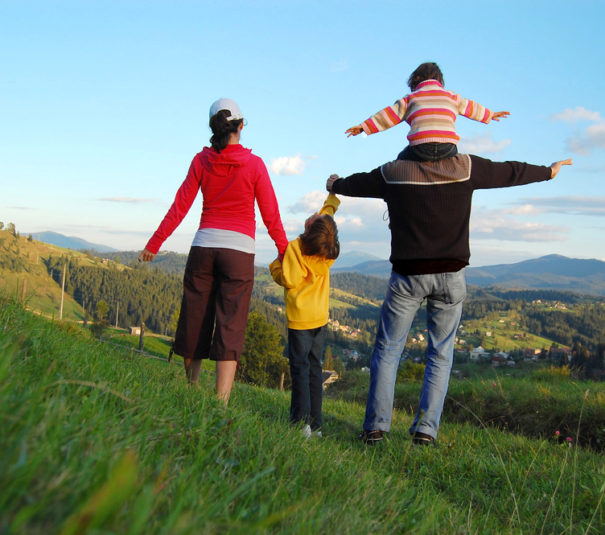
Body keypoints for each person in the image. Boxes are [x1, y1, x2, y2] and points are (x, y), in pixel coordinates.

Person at [326, 154, 572, 445]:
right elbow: (508, 172)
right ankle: (426, 431)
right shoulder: (466, 166)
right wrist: (548, 170)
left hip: (407, 275)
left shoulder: (395, 171)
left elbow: (359, 183)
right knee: (441, 355)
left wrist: (336, 184)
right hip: (451, 275)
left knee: (388, 350)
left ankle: (376, 429)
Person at [139, 98, 288, 404]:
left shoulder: (201, 160)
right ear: (241, 126)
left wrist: (155, 243)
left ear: (213, 128)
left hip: (204, 247)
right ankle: (220, 403)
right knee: (230, 324)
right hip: (239, 252)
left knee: (195, 317)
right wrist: (285, 250)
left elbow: (180, 205)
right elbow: (271, 214)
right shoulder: (255, 164)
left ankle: (191, 389)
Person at [269, 192, 340, 437]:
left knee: (299, 370)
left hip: (300, 321)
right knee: (314, 370)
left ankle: (301, 424)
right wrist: (331, 198)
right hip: (320, 319)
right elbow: (327, 217)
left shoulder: (296, 249)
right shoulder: (326, 250)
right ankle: (316, 425)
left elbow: (287, 279)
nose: (315, 215)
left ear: (309, 229)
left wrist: (274, 266)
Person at [345, 62, 510, 162]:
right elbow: (471, 108)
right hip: (448, 148)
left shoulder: (411, 98)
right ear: (439, 80)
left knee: (400, 161)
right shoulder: (451, 96)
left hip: (420, 149)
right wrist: (490, 114)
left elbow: (387, 116)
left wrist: (364, 127)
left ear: (416, 79)